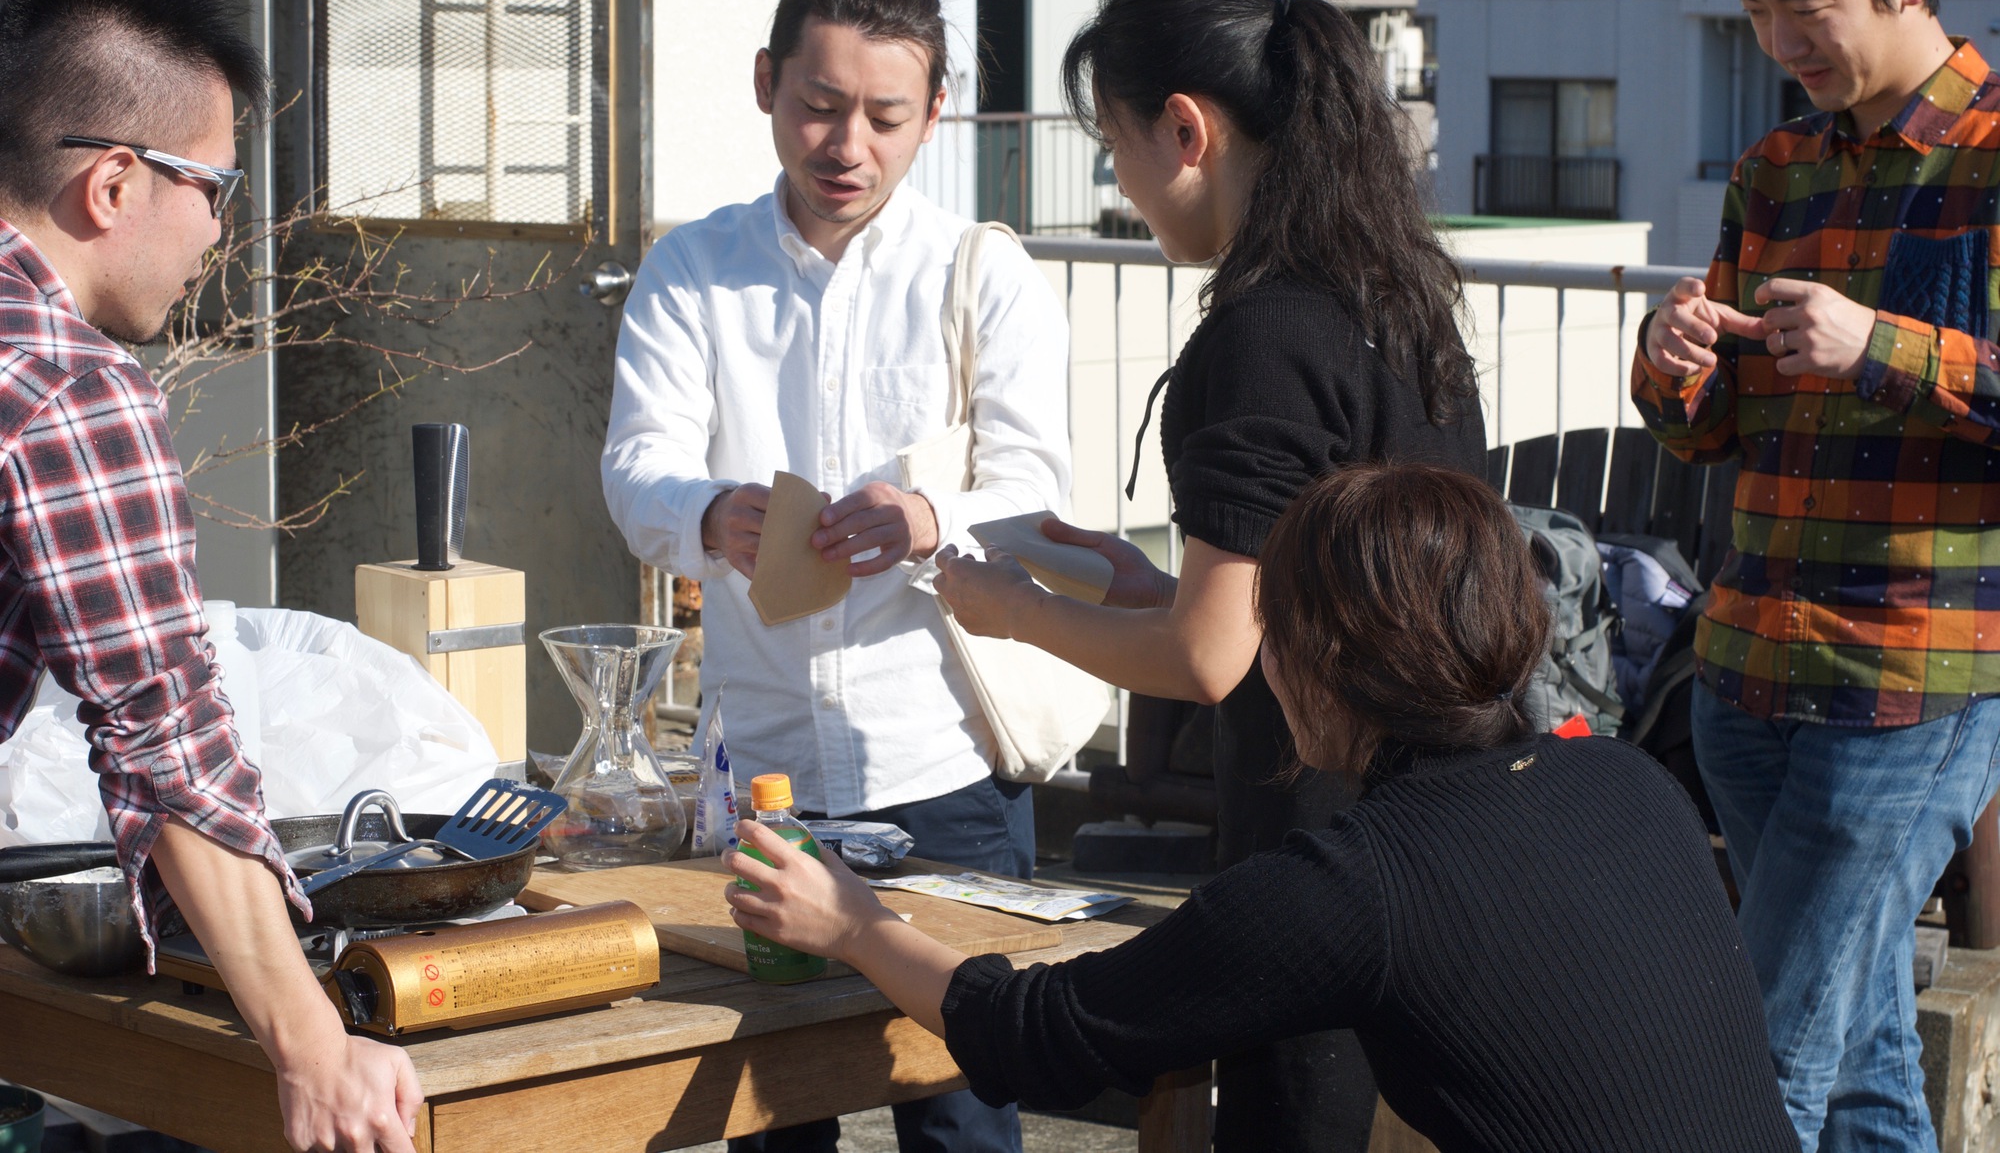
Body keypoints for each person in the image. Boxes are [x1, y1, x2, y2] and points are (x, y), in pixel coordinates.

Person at [723, 463, 1803, 1153]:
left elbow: (1039, 1030)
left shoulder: (1356, 885)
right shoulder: (1623, 783)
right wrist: (1155, 597)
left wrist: (849, 924)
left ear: (1309, 662)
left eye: (1268, 635)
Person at [932, 0, 1487, 1152]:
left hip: (1322, 847)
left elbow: (1205, 657)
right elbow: (1317, 594)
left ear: (1185, 128)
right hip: (1456, 830)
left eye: (1115, 146)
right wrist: (1146, 584)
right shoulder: (1397, 296)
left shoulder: (1259, 334)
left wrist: (1006, 604)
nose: (1122, 185)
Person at [600, 0, 1071, 1153]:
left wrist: (933, 519)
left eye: (883, 115)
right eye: (817, 104)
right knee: (767, 1115)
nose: (845, 142)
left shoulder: (983, 272)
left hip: (949, 772)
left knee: (966, 1119)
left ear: (933, 117)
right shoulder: (692, 269)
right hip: (766, 774)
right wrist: (710, 513)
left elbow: (1041, 489)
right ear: (766, 84)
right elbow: (633, 466)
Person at [0, 0, 419, 1151]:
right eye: (216, 190)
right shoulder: (72, 389)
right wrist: (311, 1041)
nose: (220, 238)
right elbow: (163, 736)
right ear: (116, 183)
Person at [1631, 0, 2000, 1148]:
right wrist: (1673, 363)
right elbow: (1707, 431)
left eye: (1806, 3)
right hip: (1748, 669)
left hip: (1915, 676)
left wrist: (1880, 347)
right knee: (1854, 1057)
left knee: (1765, 1041)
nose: (1781, 37)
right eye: (1754, 7)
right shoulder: (1774, 169)